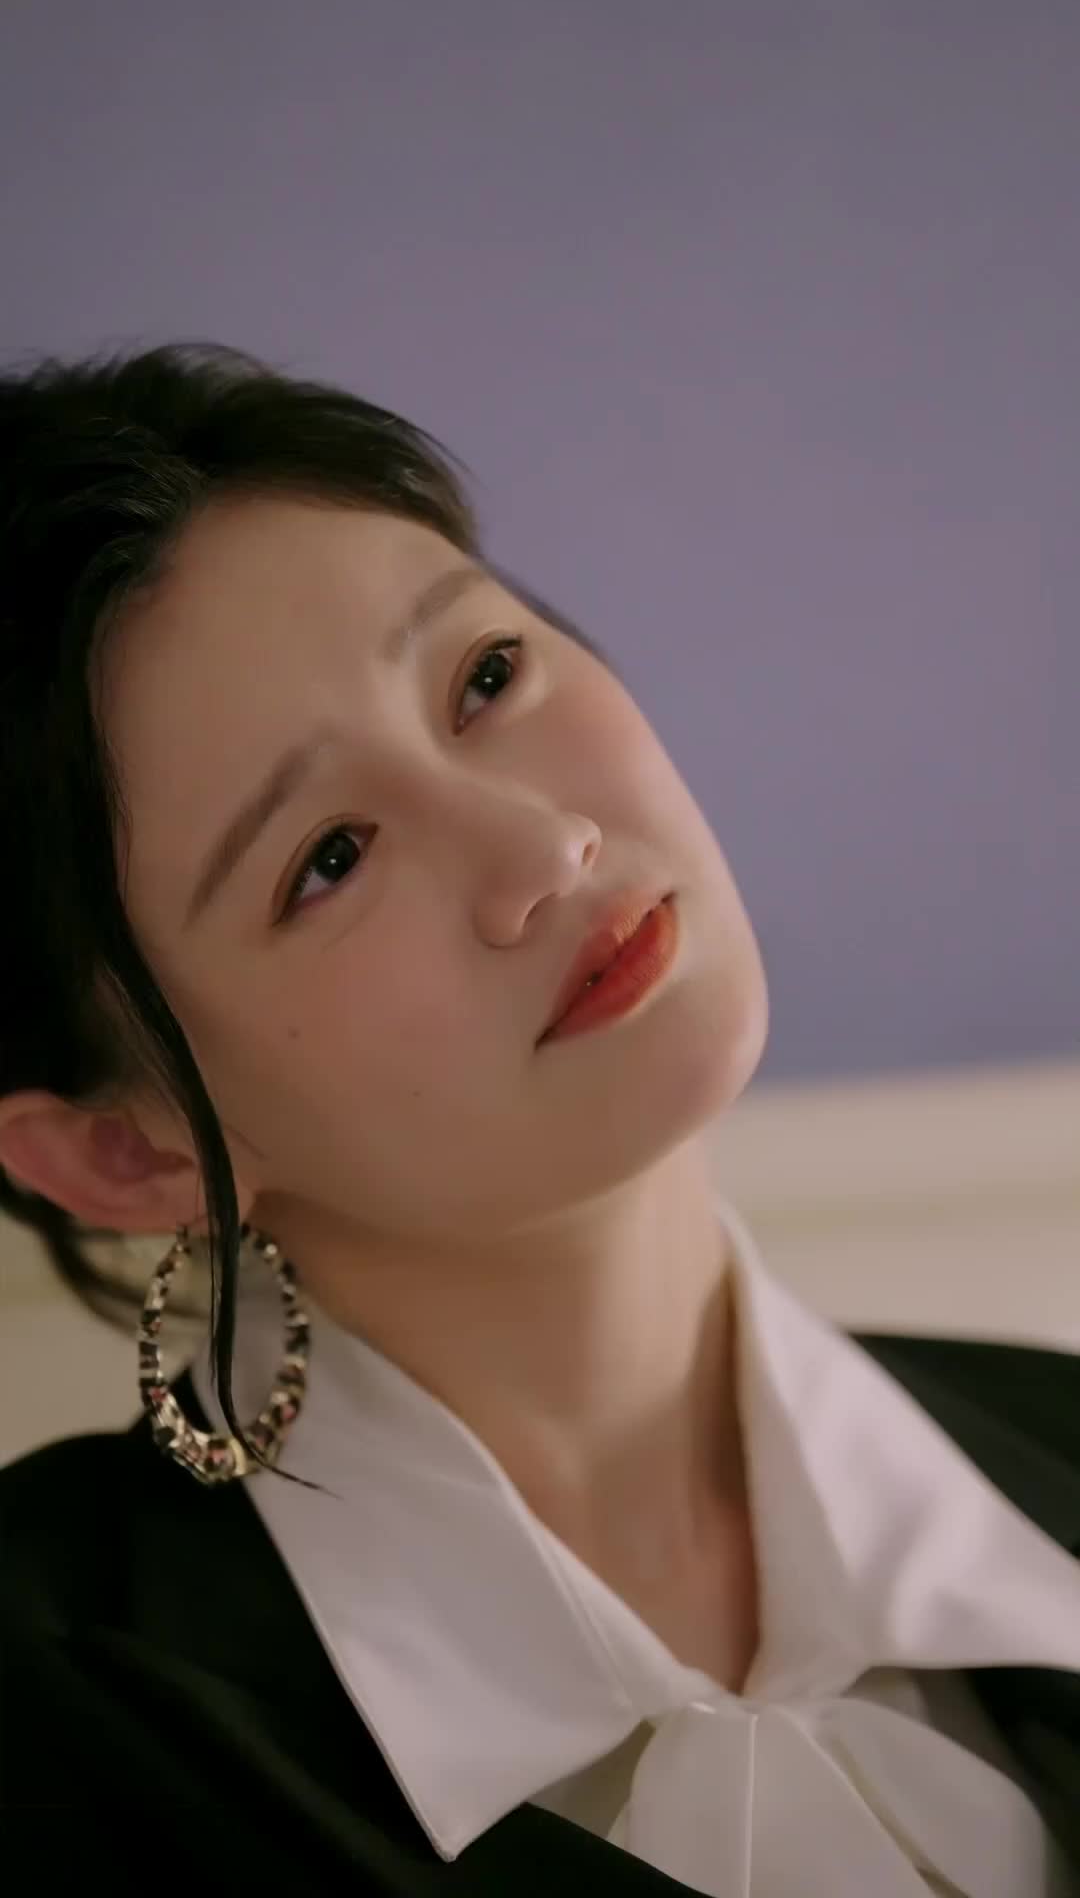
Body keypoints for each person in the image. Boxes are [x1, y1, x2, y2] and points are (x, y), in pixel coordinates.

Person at [0, 342, 1078, 1896]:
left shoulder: (1055, 1455)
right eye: (329, 858)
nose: (544, 846)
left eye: (488, 678)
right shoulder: (57, 1738)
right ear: (129, 1150)